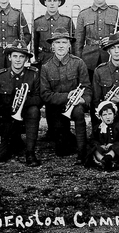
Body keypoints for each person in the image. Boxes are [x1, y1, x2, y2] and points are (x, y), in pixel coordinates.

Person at [0, 40, 42, 167]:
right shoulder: (0, 76)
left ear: (26, 59)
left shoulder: (33, 75)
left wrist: (22, 101)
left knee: (34, 110)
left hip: (24, 120)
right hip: (5, 121)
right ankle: (13, 141)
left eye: (22, 56)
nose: (18, 60)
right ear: (9, 57)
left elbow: (39, 99)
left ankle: (30, 153)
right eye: (15, 56)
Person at [40, 27, 92, 163]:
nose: (61, 46)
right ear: (52, 46)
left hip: (75, 106)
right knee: (62, 150)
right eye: (57, 43)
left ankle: (82, 151)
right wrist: (67, 96)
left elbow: (87, 88)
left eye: (64, 42)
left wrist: (82, 100)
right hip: (56, 108)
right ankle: (69, 138)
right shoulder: (46, 67)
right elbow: (45, 95)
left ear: (69, 45)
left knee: (79, 112)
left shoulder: (78, 63)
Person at [33, 0, 76, 143]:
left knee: (63, 92)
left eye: (55, 1)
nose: (52, 4)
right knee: (48, 95)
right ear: (45, 3)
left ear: (59, 3)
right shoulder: (38, 21)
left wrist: (73, 60)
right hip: (45, 61)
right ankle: (52, 130)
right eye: (49, 1)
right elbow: (34, 43)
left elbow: (73, 44)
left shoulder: (66, 21)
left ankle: (65, 131)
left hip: (64, 60)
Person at [85, 101, 119, 171]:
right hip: (101, 149)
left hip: (113, 149)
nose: (108, 117)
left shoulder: (118, 126)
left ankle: (107, 159)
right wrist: (99, 145)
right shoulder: (98, 128)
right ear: (100, 117)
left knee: (115, 149)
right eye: (104, 115)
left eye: (110, 114)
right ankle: (103, 160)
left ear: (114, 115)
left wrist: (113, 144)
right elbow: (92, 139)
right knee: (94, 149)